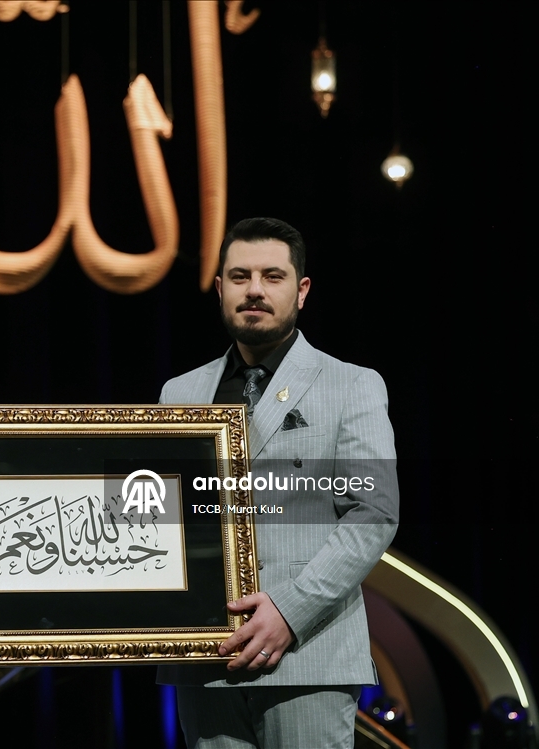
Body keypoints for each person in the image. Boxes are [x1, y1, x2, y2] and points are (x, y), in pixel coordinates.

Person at [158, 217, 399, 748]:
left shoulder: (352, 384)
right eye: (239, 276)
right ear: (219, 289)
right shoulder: (179, 393)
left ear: (301, 290)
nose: (255, 290)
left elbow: (373, 514)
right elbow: (157, 519)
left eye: (273, 276)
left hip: (308, 652)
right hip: (204, 659)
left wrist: (290, 610)